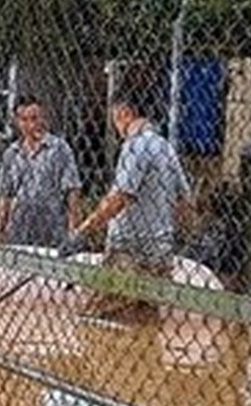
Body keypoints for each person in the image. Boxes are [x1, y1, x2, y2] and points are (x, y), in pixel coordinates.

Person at [64, 93, 190, 323]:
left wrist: (83, 230)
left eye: (115, 119)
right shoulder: (165, 147)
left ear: (125, 113)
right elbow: (184, 200)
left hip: (129, 250)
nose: (116, 127)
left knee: (92, 317)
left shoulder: (135, 146)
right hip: (160, 251)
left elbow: (119, 197)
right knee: (146, 322)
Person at [0, 97, 82, 248]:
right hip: (18, 229)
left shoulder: (59, 149)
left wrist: (72, 229)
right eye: (24, 119)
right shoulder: (11, 153)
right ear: (17, 122)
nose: (30, 125)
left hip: (52, 228)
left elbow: (72, 190)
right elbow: (5, 195)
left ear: (43, 119)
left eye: (34, 118)